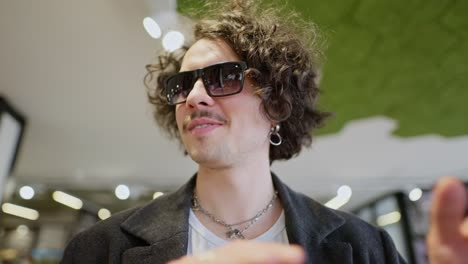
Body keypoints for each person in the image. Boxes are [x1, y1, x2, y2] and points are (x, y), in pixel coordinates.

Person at [61, 0, 467, 263]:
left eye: (223, 77)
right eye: (182, 85)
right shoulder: (101, 248)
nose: (195, 97)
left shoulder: (365, 248)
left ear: (276, 104)